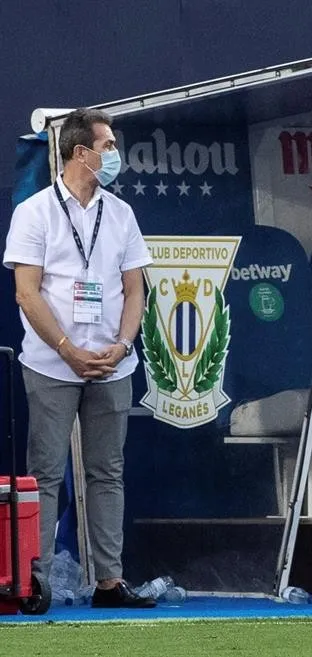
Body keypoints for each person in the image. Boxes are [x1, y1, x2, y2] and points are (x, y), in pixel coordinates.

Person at [3, 108, 155, 608]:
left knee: (107, 472)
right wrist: (67, 351)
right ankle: (35, 580)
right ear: (80, 153)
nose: (114, 155)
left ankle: (110, 582)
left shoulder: (122, 214)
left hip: (113, 365)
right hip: (50, 364)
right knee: (45, 472)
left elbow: (136, 290)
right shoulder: (34, 212)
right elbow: (27, 294)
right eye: (107, 146)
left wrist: (124, 344)